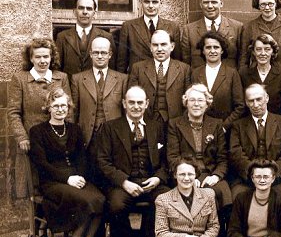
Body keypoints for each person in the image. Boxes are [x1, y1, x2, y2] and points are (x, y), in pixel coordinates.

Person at [29, 88, 105, 237]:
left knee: (101, 199)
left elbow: (82, 158)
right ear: (48, 108)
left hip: (76, 178)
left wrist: (80, 176)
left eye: (63, 105)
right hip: (52, 182)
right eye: (55, 106)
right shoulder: (37, 131)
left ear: (69, 107)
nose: (60, 109)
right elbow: (42, 164)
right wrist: (67, 179)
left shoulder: (75, 129)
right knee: (87, 201)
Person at [97, 86, 171, 237]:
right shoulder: (110, 128)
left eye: (140, 102)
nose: (136, 106)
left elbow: (167, 160)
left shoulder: (156, 127)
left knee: (165, 199)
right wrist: (124, 182)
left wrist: (158, 178)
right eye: (131, 102)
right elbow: (103, 162)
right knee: (116, 205)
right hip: (124, 183)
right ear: (124, 104)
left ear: (146, 104)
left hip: (150, 180)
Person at [139, 158, 233, 237]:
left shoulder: (208, 195)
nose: (186, 178)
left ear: (196, 175)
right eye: (182, 174)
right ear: (175, 175)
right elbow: (161, 234)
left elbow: (214, 226)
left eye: (190, 174)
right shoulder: (163, 199)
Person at [167, 83, 233, 237]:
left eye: (200, 100)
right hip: (186, 174)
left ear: (207, 103)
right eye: (192, 100)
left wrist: (216, 176)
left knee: (223, 192)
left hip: (211, 173)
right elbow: (173, 156)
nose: (196, 104)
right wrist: (190, 176)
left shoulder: (216, 124)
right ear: (186, 103)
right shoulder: (175, 124)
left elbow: (223, 158)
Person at [7, 38, 71, 201]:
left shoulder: (61, 78)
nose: (43, 61)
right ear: (31, 58)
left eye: (46, 57)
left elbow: (68, 109)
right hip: (33, 142)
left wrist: (67, 137)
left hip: (57, 140)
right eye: (38, 57)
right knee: (36, 187)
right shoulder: (20, 79)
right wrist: (22, 137)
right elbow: (13, 112)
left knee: (59, 182)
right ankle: (40, 222)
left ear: (52, 57)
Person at [71, 37, 128, 181]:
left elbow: (126, 111)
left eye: (103, 52)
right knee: (91, 177)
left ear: (110, 55)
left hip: (114, 138)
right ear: (90, 54)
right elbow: (73, 111)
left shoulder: (122, 79)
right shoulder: (77, 79)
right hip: (88, 137)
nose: (100, 56)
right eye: (96, 52)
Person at [228, 84, 281, 201]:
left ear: (267, 98)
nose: (255, 105)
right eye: (251, 101)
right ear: (246, 103)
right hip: (247, 179)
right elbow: (236, 153)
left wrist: (271, 175)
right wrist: (253, 174)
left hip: (276, 179)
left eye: (259, 99)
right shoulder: (238, 125)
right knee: (237, 196)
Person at [128, 29, 191, 128]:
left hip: (175, 124)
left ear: (172, 46)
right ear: (150, 47)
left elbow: (188, 101)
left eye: (163, 44)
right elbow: (130, 99)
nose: (159, 49)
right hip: (146, 122)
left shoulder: (184, 69)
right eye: (155, 45)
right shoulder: (138, 68)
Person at [117, 0, 181, 73]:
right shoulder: (128, 26)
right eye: (147, 2)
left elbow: (177, 60)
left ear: (160, 3)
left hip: (163, 79)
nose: (150, 6)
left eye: (154, 2)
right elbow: (122, 62)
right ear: (140, 2)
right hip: (138, 80)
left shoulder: (173, 27)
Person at [181, 0, 243, 69]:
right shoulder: (188, 30)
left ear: (221, 3)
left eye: (214, 2)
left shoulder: (237, 28)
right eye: (206, 2)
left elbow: (242, 60)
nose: (210, 6)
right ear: (201, 4)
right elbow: (185, 63)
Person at [192, 31, 245, 132]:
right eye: (208, 47)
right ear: (203, 51)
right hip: (201, 129)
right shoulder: (195, 73)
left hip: (226, 131)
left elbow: (240, 106)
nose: (212, 51)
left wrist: (224, 126)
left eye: (216, 47)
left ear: (222, 50)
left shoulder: (232, 73)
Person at [55, 0, 117, 77]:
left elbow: (112, 69)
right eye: (81, 8)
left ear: (94, 14)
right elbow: (57, 69)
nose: (85, 12)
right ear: (74, 12)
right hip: (70, 87)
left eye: (89, 9)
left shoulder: (106, 37)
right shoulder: (62, 37)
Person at [239, 34, 281, 116]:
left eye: (267, 49)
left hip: (277, 122)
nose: (263, 53)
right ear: (253, 52)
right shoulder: (244, 74)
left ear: (273, 52)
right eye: (259, 49)